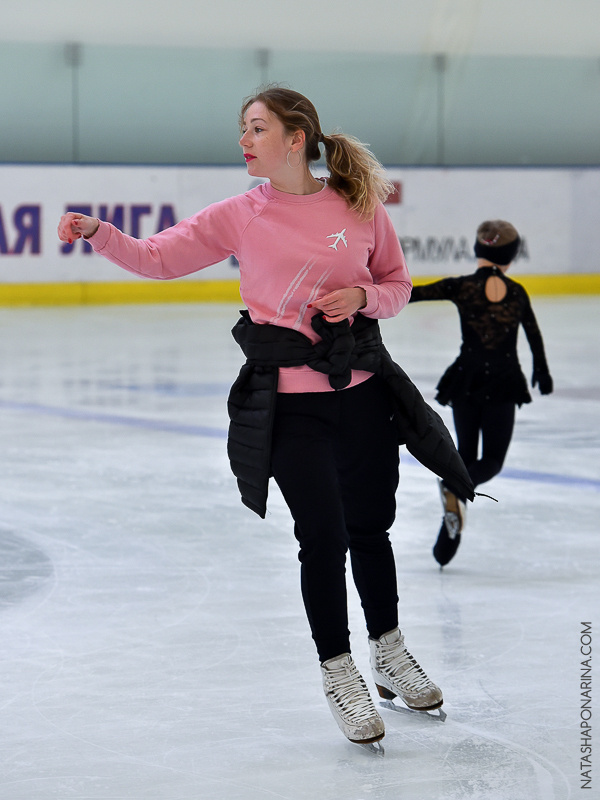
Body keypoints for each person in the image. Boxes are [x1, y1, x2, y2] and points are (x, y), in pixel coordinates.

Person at [57, 86, 473, 750]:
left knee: (372, 530)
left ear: (296, 137)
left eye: (256, 128)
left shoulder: (359, 205)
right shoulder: (240, 214)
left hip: (365, 395)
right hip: (289, 408)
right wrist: (98, 234)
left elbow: (397, 284)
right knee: (324, 539)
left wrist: (362, 295)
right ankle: (339, 672)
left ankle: (389, 654)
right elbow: (161, 258)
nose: (244, 140)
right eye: (243, 129)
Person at [408, 220, 553, 567]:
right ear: (510, 256)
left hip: (466, 380)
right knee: (490, 462)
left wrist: (368, 293)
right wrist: (542, 371)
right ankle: (452, 490)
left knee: (465, 458)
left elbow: (412, 293)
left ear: (478, 251)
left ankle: (447, 533)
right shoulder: (517, 292)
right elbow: (532, 334)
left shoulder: (461, 287)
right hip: (502, 382)